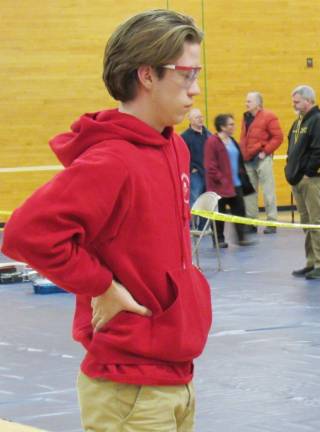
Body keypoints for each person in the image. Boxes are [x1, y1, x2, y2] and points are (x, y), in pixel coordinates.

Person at [1, 10, 212, 431]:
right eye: (186, 75)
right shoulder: (112, 160)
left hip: (176, 372)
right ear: (147, 75)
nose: (195, 89)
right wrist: (102, 286)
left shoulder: (175, 149)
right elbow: (27, 233)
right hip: (129, 387)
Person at [285, 85, 320, 280]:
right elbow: (292, 147)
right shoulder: (298, 123)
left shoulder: (318, 121)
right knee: (307, 223)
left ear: (308, 100)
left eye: (297, 101)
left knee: (317, 222)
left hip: (312, 180)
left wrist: (307, 173)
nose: (294, 105)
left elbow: (319, 151)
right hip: (299, 180)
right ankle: (311, 261)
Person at [204, 114, 255, 248]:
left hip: (236, 184)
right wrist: (222, 179)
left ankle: (241, 238)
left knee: (240, 211)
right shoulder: (212, 141)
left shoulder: (232, 141)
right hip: (219, 186)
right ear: (222, 127)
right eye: (231, 124)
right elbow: (210, 166)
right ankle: (219, 239)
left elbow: (238, 162)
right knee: (219, 215)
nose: (234, 126)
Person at [239, 91, 283, 234]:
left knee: (268, 191)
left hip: (262, 158)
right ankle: (252, 222)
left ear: (258, 103)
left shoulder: (269, 116)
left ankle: (271, 222)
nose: (246, 104)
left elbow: (278, 137)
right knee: (250, 193)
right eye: (246, 101)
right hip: (248, 160)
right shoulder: (245, 117)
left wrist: (265, 152)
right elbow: (243, 139)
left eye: (249, 101)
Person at [181, 108, 211, 209]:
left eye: (201, 116)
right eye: (197, 117)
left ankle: (204, 225)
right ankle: (192, 225)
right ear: (190, 120)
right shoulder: (184, 137)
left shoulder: (208, 134)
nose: (200, 119)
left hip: (208, 174)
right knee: (194, 203)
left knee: (207, 204)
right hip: (196, 175)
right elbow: (182, 156)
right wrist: (191, 169)